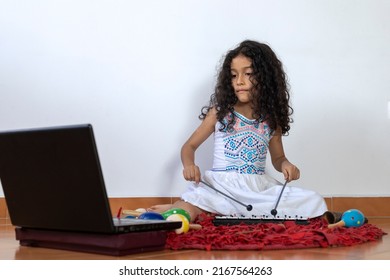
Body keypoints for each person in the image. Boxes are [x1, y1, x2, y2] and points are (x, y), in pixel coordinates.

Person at [150, 40, 328, 222]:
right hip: (221, 188)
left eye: (248, 73)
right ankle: (181, 209)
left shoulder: (271, 120)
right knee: (192, 205)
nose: (239, 81)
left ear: (266, 78)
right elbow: (189, 146)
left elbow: (278, 158)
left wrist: (286, 165)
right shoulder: (220, 112)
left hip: (258, 190)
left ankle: (220, 214)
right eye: (234, 75)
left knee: (313, 200)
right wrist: (189, 165)